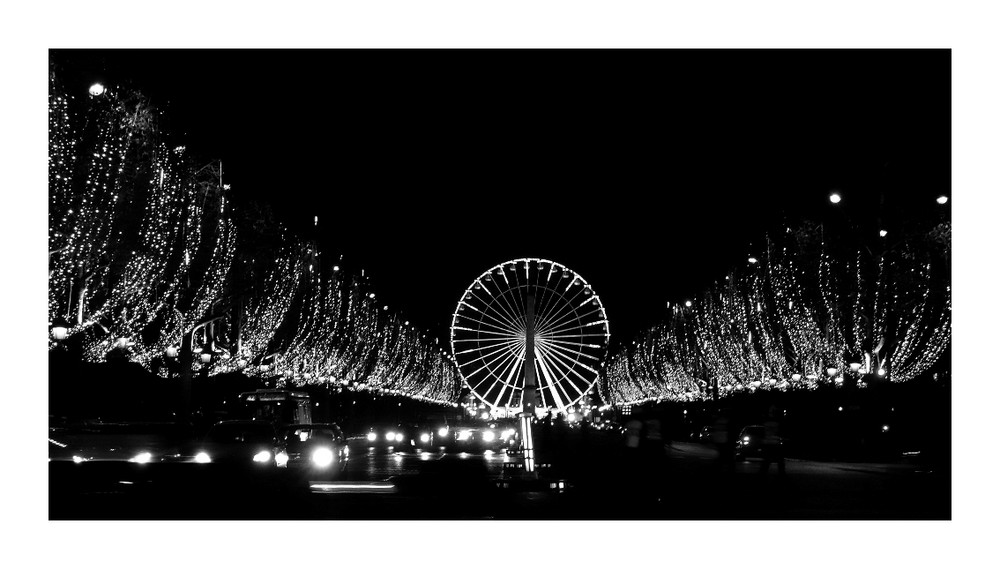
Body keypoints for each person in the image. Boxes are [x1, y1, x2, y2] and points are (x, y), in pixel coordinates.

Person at [760, 405, 785, 476]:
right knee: (777, 462)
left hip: (770, 443)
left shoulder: (766, 420)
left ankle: (762, 475)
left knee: (767, 461)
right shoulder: (778, 421)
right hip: (773, 443)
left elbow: (763, 431)